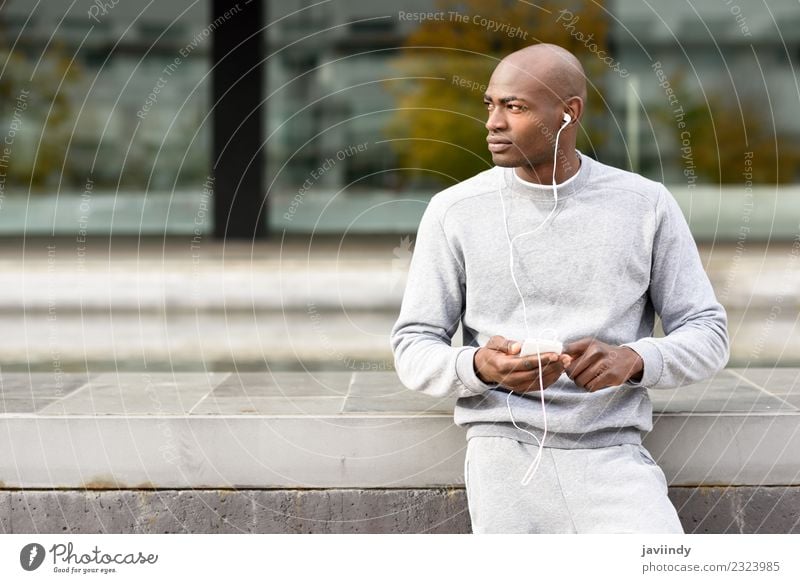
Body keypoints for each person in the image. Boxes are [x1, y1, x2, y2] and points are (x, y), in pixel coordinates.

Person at [389, 43, 729, 534]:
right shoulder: (453, 211)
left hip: (614, 455)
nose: (493, 122)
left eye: (516, 107)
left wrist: (633, 360)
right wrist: (479, 366)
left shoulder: (645, 205)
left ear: (568, 115)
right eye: (491, 104)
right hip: (502, 454)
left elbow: (708, 333)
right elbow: (412, 345)